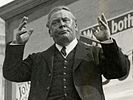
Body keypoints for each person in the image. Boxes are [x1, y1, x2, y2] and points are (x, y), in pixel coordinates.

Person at [3, 6, 130, 100]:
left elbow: (119, 71)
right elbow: (12, 73)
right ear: (50, 32)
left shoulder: (94, 53)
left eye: (65, 20)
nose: (62, 25)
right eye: (55, 22)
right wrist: (18, 44)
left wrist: (107, 41)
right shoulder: (38, 60)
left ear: (75, 26)